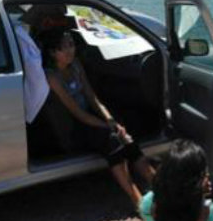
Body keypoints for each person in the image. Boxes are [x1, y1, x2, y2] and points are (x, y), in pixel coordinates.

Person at [38, 27, 155, 206]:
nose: (70, 50)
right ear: (53, 52)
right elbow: (76, 112)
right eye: (64, 47)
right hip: (71, 125)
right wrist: (107, 127)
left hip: (88, 117)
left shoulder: (75, 65)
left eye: (71, 45)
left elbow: (92, 97)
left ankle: (158, 184)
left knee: (125, 135)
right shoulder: (51, 77)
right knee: (113, 141)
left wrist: (110, 120)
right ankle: (136, 199)